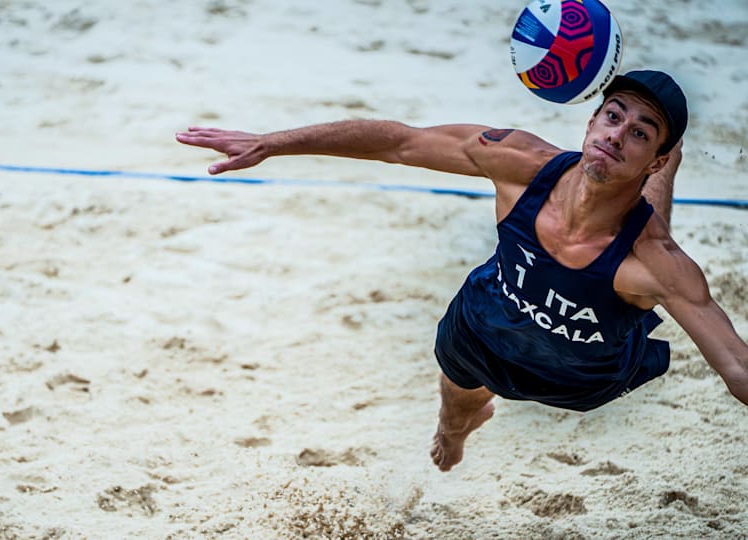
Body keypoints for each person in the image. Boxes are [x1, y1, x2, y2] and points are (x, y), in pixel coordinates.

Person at [175, 70, 748, 472]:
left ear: (654, 155)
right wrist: (274, 143)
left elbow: (736, 368)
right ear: (592, 119)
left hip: (582, 376)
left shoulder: (660, 265)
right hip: (483, 329)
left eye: (639, 133)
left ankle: (657, 182)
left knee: (647, 237)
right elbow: (399, 143)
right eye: (612, 117)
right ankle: (455, 430)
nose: (615, 135)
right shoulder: (522, 164)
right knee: (456, 409)